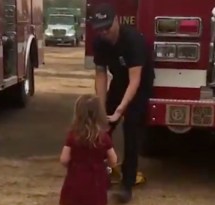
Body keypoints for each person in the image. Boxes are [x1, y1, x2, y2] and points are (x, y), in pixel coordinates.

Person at [90, 2, 155, 203]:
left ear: (117, 21)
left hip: (140, 85)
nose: (105, 32)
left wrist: (120, 109)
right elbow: (101, 75)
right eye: (100, 29)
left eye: (108, 27)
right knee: (102, 129)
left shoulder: (133, 40)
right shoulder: (100, 42)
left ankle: (127, 185)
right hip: (119, 82)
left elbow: (135, 80)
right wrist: (101, 109)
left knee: (131, 130)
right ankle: (100, 174)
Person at [59, 94, 118, 205]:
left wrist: (73, 164)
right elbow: (113, 160)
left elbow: (64, 159)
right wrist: (106, 165)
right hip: (97, 181)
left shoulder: (73, 135)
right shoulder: (104, 137)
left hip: (75, 178)